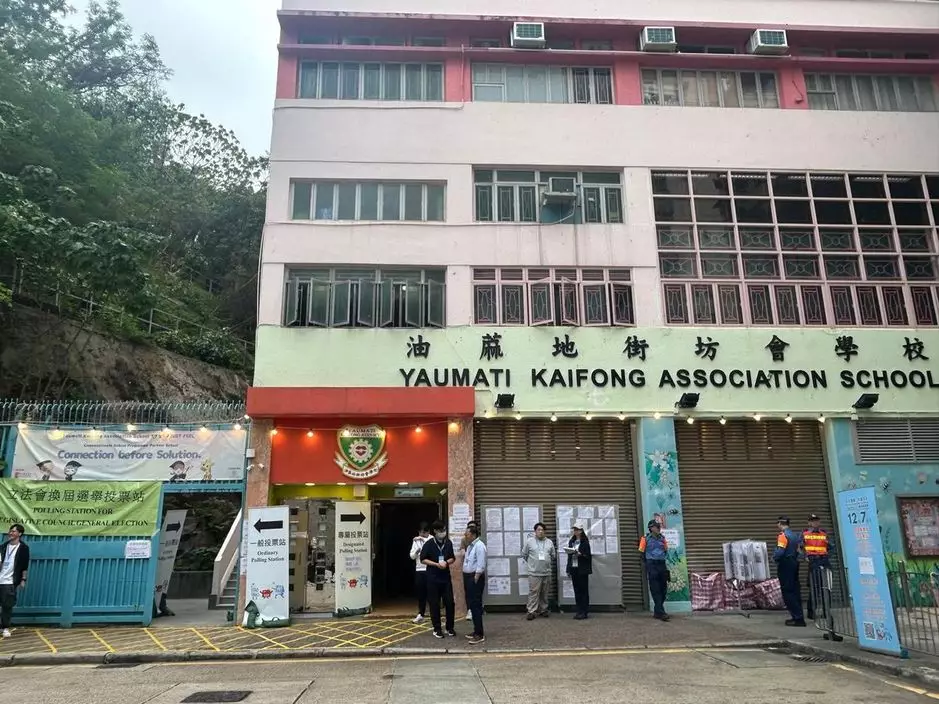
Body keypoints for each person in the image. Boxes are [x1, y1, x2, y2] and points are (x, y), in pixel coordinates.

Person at [420, 520, 456, 638]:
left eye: (444, 530)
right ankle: (437, 629)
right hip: (433, 578)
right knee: (434, 604)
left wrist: (446, 562)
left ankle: (450, 628)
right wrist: (436, 564)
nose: (443, 532)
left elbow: (452, 557)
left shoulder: (448, 543)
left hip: (445, 578)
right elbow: (423, 559)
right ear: (435, 531)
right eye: (441, 530)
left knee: (450, 602)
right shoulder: (429, 544)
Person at [774, 515, 806, 627]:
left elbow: (780, 551)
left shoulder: (783, 536)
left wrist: (775, 558)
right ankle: (799, 616)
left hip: (786, 564)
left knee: (788, 591)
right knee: (795, 590)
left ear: (779, 524)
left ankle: (797, 618)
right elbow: (800, 550)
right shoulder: (795, 536)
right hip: (794, 563)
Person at [0, 524, 30, 639]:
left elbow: (24, 566)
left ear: (20, 534)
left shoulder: (23, 548)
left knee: (7, 605)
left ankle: (5, 627)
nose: (11, 533)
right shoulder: (3, 546)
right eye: (10, 531)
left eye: (13, 531)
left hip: (10, 581)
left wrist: (23, 579)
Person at [803, 513, 834, 621]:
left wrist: (827, 556)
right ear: (809, 523)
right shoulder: (805, 534)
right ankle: (811, 612)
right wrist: (805, 556)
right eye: (812, 521)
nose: (815, 523)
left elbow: (831, 547)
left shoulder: (824, 534)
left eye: (816, 520)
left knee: (827, 588)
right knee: (814, 589)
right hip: (813, 562)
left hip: (824, 562)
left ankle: (826, 612)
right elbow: (799, 547)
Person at [521, 522, 555, 620]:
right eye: (538, 530)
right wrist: (533, 564)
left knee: (545, 593)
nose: (541, 532)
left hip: (546, 572)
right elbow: (524, 555)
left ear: (545, 531)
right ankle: (531, 611)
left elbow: (552, 555)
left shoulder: (549, 542)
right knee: (534, 592)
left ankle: (543, 610)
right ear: (535, 531)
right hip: (534, 573)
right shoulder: (529, 542)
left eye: (542, 530)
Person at [639, 519, 670, 621]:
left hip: (662, 564)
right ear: (651, 528)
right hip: (652, 565)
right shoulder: (645, 539)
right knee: (655, 589)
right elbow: (641, 553)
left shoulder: (662, 538)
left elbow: (666, 550)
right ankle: (661, 612)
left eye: (659, 527)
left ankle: (657, 611)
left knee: (663, 589)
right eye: (657, 527)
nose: (658, 529)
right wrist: (648, 564)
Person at [461, 524, 487, 645]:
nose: (465, 536)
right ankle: (476, 630)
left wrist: (476, 577)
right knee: (471, 604)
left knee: (476, 605)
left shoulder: (479, 546)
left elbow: (481, 563)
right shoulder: (471, 545)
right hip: (468, 577)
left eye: (467, 534)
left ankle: (479, 634)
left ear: (473, 535)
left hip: (475, 577)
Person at [565, 520, 592, 620]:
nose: (575, 531)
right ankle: (579, 611)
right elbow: (569, 557)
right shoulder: (571, 541)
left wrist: (580, 554)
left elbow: (588, 556)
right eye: (574, 529)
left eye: (577, 530)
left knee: (583, 590)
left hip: (582, 569)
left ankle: (584, 612)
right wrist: (568, 569)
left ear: (581, 531)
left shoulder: (585, 542)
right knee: (577, 591)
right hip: (574, 568)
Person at [409, 522, 430, 624]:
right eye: (420, 532)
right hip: (419, 569)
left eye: (423, 533)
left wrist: (422, 539)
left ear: (428, 532)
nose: (421, 535)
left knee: (432, 592)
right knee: (421, 593)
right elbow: (412, 556)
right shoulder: (416, 541)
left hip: (429, 569)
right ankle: (421, 614)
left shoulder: (431, 539)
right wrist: (416, 552)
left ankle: (434, 614)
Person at [459, 520, 478, 621]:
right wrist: (467, 553)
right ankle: (469, 610)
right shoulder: (464, 540)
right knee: (468, 591)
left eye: (473, 527)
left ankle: (478, 609)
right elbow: (462, 552)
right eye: (469, 527)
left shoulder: (479, 542)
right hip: (467, 569)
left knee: (477, 591)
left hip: (476, 569)